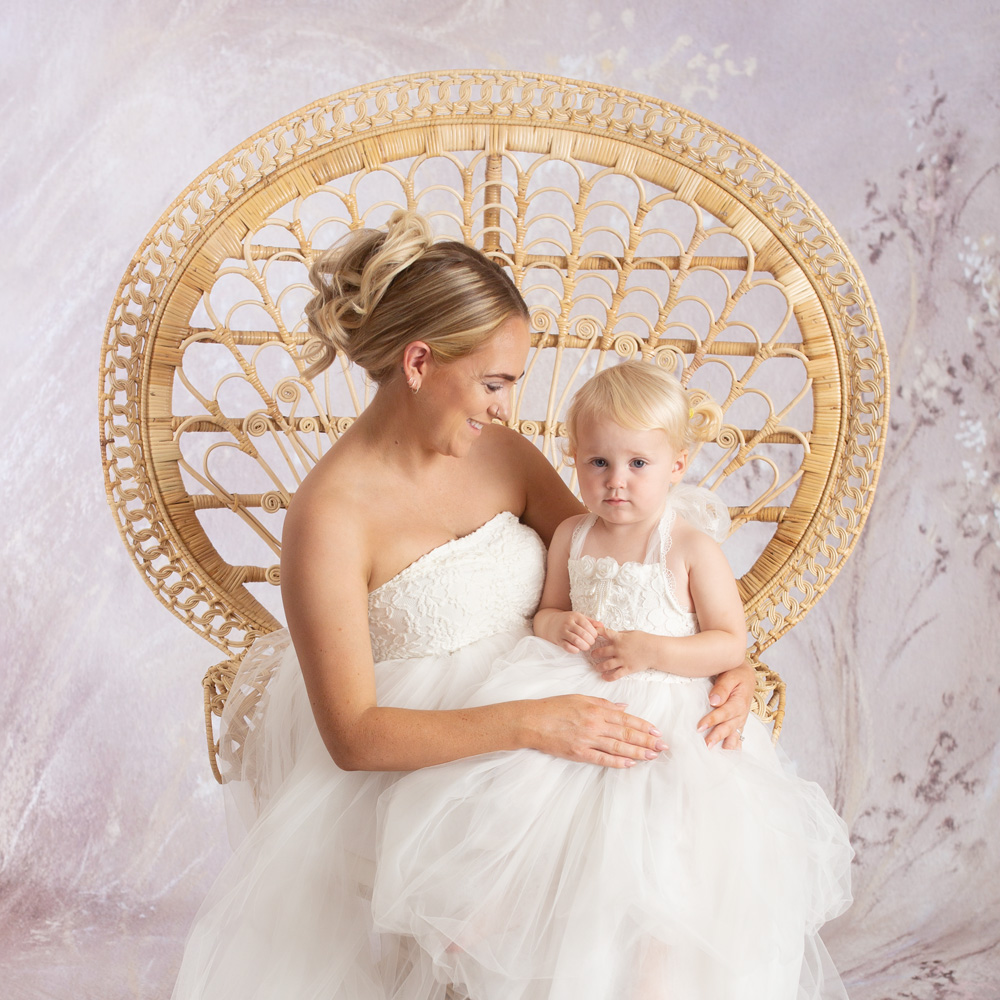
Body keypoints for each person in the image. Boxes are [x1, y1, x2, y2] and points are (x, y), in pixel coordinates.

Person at [170, 211, 757, 1000]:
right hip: (429, 750)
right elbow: (353, 735)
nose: (507, 408)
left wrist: (730, 661)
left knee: (660, 824)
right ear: (419, 363)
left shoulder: (503, 457)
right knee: (544, 846)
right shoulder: (331, 516)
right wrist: (534, 722)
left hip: (556, 701)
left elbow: (616, 562)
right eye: (494, 382)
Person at [371, 361, 854, 1000]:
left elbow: (729, 641)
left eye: (638, 465)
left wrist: (654, 650)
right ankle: (496, 922)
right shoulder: (572, 535)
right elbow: (544, 613)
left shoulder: (687, 547)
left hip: (662, 713)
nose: (616, 482)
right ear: (574, 461)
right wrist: (560, 627)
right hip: (571, 690)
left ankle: (652, 974)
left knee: (657, 839)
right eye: (597, 463)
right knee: (524, 804)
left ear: (677, 466)